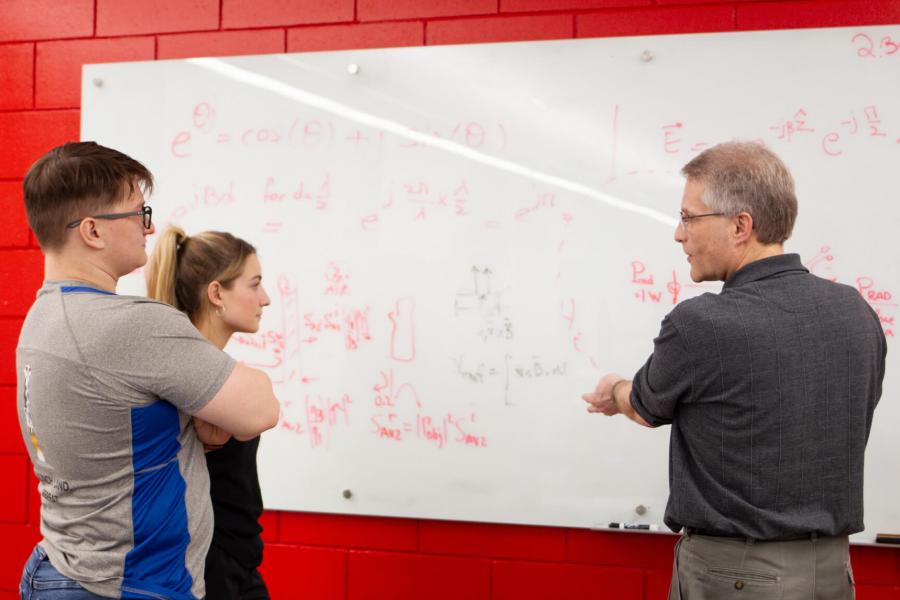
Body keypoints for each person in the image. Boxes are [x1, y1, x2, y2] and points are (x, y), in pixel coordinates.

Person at [582, 141, 886, 599]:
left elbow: (644, 407)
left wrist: (614, 388)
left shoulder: (702, 324)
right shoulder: (856, 312)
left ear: (741, 225)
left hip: (737, 576)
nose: (678, 235)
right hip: (833, 572)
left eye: (688, 217)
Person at [16, 141, 281, 600]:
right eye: (139, 214)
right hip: (127, 587)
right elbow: (259, 408)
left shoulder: (42, 317)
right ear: (93, 232)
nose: (150, 227)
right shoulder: (131, 325)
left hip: (60, 567)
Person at [146, 227, 272, 600]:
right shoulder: (186, 378)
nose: (265, 299)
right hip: (208, 568)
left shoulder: (211, 375)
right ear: (216, 293)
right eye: (254, 284)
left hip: (236, 561)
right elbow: (267, 411)